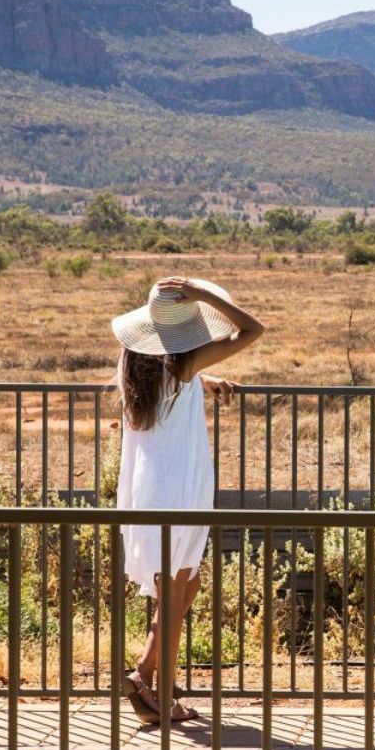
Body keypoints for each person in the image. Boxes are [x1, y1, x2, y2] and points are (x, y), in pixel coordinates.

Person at [111, 275, 263, 724]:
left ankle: (143, 673)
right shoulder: (182, 366)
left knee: (185, 585)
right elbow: (252, 331)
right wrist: (204, 297)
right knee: (174, 589)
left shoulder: (139, 363)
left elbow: (170, 391)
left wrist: (204, 379)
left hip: (151, 487)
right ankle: (161, 696)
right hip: (176, 488)